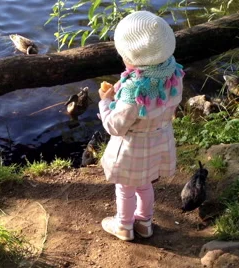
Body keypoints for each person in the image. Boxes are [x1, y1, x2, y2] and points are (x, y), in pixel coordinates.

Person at [98, 10, 185, 241]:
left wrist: (105, 102)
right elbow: (165, 100)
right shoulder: (172, 71)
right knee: (145, 185)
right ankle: (145, 223)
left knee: (125, 189)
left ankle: (124, 226)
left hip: (132, 149)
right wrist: (121, 85)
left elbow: (115, 126)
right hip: (158, 140)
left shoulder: (133, 91)